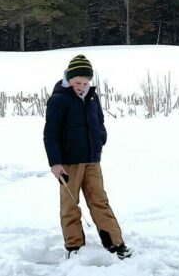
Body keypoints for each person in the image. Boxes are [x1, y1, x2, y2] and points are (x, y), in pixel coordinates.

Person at [43, 54, 132, 259]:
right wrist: (55, 163)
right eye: (77, 82)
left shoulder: (92, 96)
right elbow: (50, 133)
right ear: (69, 78)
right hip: (68, 163)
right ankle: (74, 247)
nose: (81, 86)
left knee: (99, 201)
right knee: (70, 205)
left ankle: (115, 244)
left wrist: (101, 137)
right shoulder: (58, 100)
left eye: (85, 82)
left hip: (92, 159)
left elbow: (99, 120)